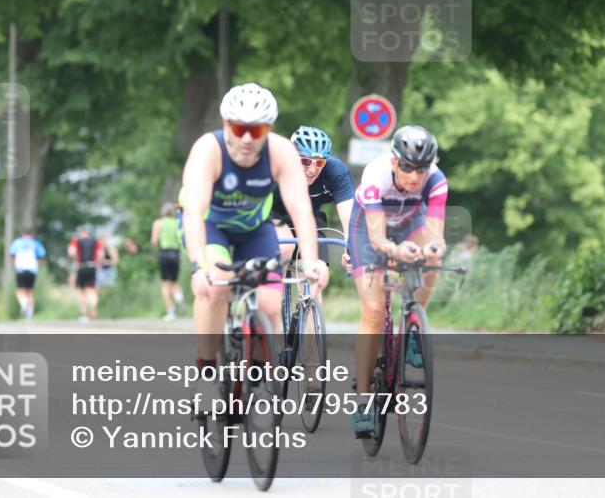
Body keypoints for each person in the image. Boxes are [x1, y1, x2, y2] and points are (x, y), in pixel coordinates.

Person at [181, 83, 326, 371]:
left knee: (270, 305)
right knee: (216, 289)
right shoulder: (209, 150)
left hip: (254, 230)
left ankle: (256, 378)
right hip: (212, 227)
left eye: (257, 130)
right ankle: (207, 363)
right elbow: (194, 212)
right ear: (226, 124)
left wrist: (311, 261)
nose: (247, 138)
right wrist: (199, 267)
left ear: (268, 128)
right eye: (238, 129)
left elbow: (301, 211)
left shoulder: (281, 152)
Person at [347, 125, 448, 437]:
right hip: (369, 230)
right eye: (407, 167)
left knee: (432, 257)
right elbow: (377, 237)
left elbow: (435, 234)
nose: (414, 176)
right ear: (394, 161)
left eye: (422, 169)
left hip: (409, 223)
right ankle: (363, 400)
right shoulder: (375, 176)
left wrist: (432, 248)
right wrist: (395, 250)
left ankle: (414, 323)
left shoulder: (436, 181)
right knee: (374, 310)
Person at [272, 126, 355, 303]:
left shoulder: (336, 172)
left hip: (310, 215)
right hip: (275, 212)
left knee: (314, 278)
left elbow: (350, 217)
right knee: (285, 247)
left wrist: (352, 248)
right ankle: (272, 298)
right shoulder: (278, 167)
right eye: (305, 161)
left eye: (319, 162)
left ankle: (310, 321)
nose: (312, 169)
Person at [152, 202, 185, 321]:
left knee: (165, 284)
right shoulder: (177, 223)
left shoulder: (158, 223)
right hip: (176, 253)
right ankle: (180, 300)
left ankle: (171, 310)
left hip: (164, 254)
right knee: (175, 282)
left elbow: (154, 241)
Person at [9, 226, 46, 321]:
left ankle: (24, 303)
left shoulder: (17, 242)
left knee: (19, 291)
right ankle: (30, 315)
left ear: (22, 235)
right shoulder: (35, 243)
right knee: (30, 291)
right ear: (32, 235)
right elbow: (42, 257)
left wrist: (15, 265)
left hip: (21, 269)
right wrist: (37, 265)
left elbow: (12, 256)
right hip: (32, 269)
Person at [68, 227, 103, 322]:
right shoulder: (95, 241)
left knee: (82, 291)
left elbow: (71, 252)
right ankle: (94, 309)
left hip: (82, 267)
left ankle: (84, 314)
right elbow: (101, 254)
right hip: (92, 267)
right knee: (92, 290)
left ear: (80, 233)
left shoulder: (76, 240)